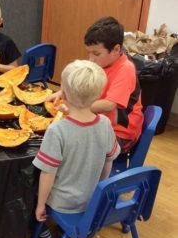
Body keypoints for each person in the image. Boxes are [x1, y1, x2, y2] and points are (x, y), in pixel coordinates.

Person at [33, 60, 120, 238]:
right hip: (91, 199)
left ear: (62, 94)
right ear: (98, 95)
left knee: (30, 185)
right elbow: (109, 160)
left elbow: (47, 174)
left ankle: (43, 232)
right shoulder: (105, 123)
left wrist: (40, 205)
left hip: (63, 204)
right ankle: (73, 232)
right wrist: (100, 187)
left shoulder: (57, 131)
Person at [47, 16, 144, 153]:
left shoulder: (126, 69)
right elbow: (79, 83)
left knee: (70, 148)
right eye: (89, 53)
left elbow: (109, 104)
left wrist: (75, 109)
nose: (91, 58)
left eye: (96, 53)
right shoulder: (101, 62)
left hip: (119, 133)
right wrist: (62, 93)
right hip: (97, 122)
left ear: (116, 49)